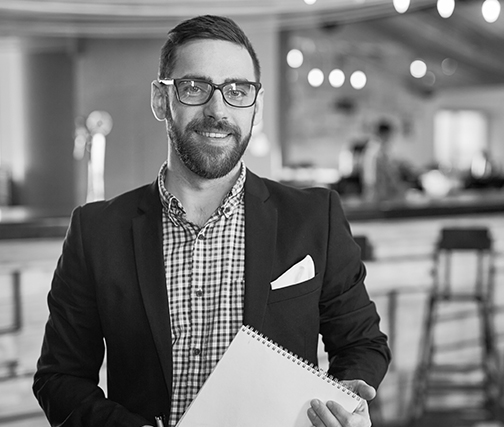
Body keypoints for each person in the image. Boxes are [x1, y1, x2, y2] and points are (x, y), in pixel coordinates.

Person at [33, 15, 391, 427]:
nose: (218, 110)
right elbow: (59, 378)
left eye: (237, 91)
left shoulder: (315, 217)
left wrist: (342, 403)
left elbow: (362, 343)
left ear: (256, 106)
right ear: (161, 100)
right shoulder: (96, 231)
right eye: (194, 87)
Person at [361, 120, 406, 202]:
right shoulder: (377, 149)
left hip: (372, 186)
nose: (390, 137)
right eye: (389, 134)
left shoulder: (373, 147)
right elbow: (385, 170)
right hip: (376, 188)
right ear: (384, 133)